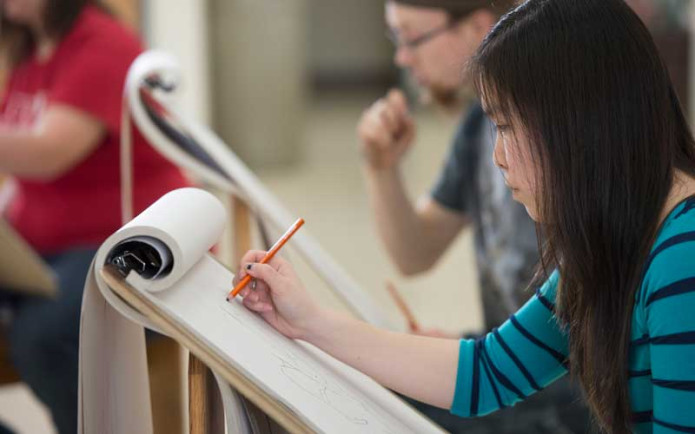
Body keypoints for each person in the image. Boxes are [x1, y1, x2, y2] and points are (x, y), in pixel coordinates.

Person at [236, 0, 695, 433]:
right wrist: (308, 321)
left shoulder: (682, 256)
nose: (498, 156)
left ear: (577, 124)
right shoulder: (618, 232)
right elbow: (486, 372)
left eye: (508, 126)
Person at [357, 0, 589, 432]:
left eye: (411, 37)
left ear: (478, 26)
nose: (402, 57)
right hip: (510, 365)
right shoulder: (474, 128)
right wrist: (380, 166)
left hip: (561, 399)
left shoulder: (555, 142)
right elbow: (415, 253)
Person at [0, 1, 188, 433]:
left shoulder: (103, 43)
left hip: (127, 245)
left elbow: (48, 153)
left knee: (43, 338)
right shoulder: (31, 50)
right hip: (45, 247)